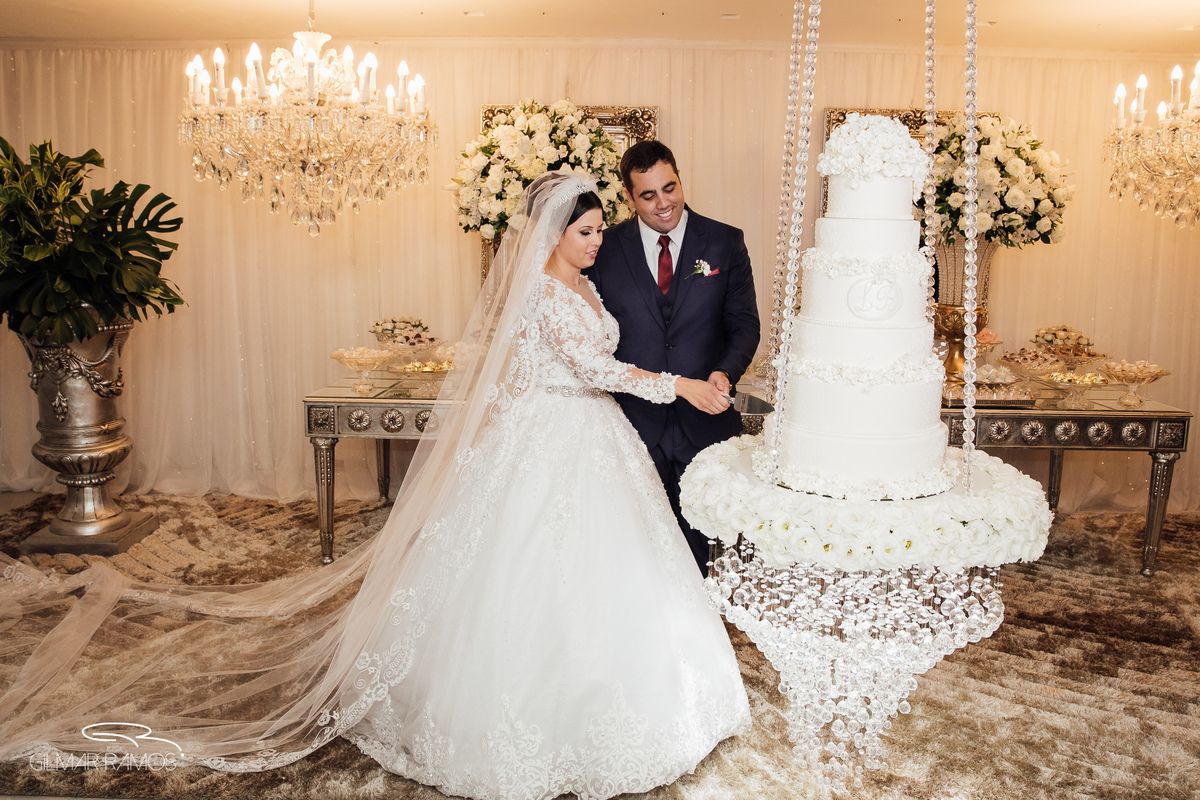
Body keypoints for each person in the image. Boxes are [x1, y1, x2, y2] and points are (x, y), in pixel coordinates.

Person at [0, 170, 750, 800]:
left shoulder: (586, 290)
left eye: (595, 233)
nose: (596, 242)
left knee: (610, 575)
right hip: (553, 437)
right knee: (522, 576)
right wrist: (680, 386)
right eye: (585, 233)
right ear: (552, 233)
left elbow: (598, 364)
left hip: (593, 440)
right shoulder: (545, 297)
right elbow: (597, 372)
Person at [588, 141, 761, 575]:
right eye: (648, 195)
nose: (664, 203)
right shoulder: (602, 250)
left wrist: (724, 371)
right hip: (630, 422)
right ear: (628, 197)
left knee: (704, 541)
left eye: (670, 188)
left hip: (704, 419)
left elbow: (744, 323)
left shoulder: (724, 242)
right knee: (636, 540)